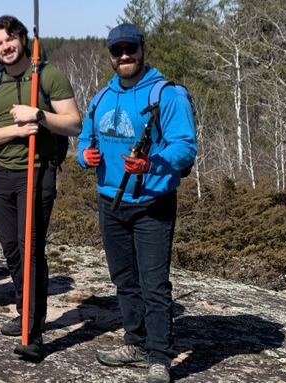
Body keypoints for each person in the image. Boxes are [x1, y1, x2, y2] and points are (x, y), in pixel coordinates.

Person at [76, 23, 196, 383]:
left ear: (143, 50)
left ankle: (159, 357)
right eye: (118, 51)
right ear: (111, 56)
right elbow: (85, 138)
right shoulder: (101, 98)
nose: (124, 56)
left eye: (131, 49)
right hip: (110, 200)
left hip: (152, 202)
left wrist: (151, 164)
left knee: (154, 283)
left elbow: (185, 145)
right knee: (124, 279)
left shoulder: (167, 95)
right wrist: (85, 156)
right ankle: (135, 343)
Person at [0, 15, 80, 360]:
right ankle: (25, 312)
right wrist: (17, 131)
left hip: (38, 171)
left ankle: (32, 332)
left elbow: (74, 123)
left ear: (22, 38)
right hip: (2, 175)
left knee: (30, 249)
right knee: (13, 252)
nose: (5, 48)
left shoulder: (47, 75)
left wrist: (39, 115)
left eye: (9, 40)